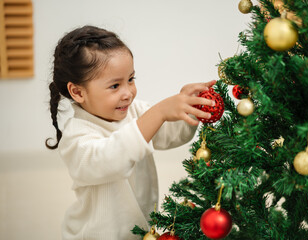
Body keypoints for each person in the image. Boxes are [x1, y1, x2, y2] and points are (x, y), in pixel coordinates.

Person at [45, 25, 215, 240]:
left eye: (131, 79)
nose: (128, 93)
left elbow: (171, 135)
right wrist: (159, 112)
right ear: (78, 92)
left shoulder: (135, 112)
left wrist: (190, 110)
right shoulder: (77, 135)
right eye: (115, 86)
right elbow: (111, 159)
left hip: (141, 231)